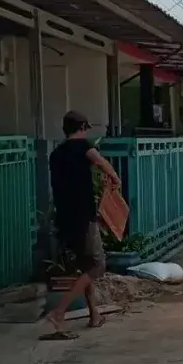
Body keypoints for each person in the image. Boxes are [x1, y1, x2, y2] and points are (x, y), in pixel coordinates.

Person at [45, 111, 122, 333]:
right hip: (83, 216)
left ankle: (94, 315)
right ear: (82, 127)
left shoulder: (56, 154)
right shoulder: (83, 146)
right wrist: (115, 178)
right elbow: (100, 161)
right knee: (98, 266)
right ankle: (59, 312)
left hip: (65, 218)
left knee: (84, 266)